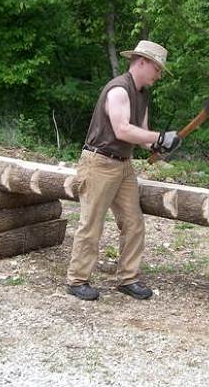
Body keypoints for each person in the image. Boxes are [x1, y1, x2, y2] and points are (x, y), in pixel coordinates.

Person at [66, 40, 180, 301]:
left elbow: (141, 136)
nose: (159, 75)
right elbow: (122, 129)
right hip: (99, 163)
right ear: (142, 62)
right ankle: (77, 279)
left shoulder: (143, 94)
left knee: (133, 222)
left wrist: (161, 143)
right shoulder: (118, 90)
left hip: (123, 164)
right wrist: (159, 136)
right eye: (157, 69)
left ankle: (128, 278)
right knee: (91, 224)